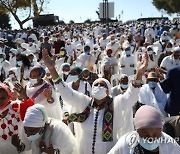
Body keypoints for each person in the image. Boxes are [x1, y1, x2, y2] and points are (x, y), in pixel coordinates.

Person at [42, 48, 148, 154]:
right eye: (96, 84)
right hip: (85, 149)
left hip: (108, 150)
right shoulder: (84, 102)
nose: (98, 86)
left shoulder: (116, 104)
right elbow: (66, 92)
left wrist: (139, 74)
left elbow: (130, 97)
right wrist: (52, 69)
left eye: (102, 85)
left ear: (108, 90)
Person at [108, 105, 180, 154]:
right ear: (137, 131)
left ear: (161, 130)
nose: (150, 138)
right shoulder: (126, 143)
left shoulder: (170, 145)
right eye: (145, 134)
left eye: (155, 134)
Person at [12, 104, 78, 154]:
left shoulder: (58, 129)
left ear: (42, 127)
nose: (28, 134)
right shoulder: (26, 127)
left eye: (32, 131)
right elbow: (27, 147)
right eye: (26, 130)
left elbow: (68, 150)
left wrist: (53, 153)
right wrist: (19, 146)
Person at [0, 82, 34, 154]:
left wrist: (25, 97)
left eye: (2, 98)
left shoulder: (16, 107)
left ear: (9, 96)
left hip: (19, 146)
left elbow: (32, 111)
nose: (0, 101)